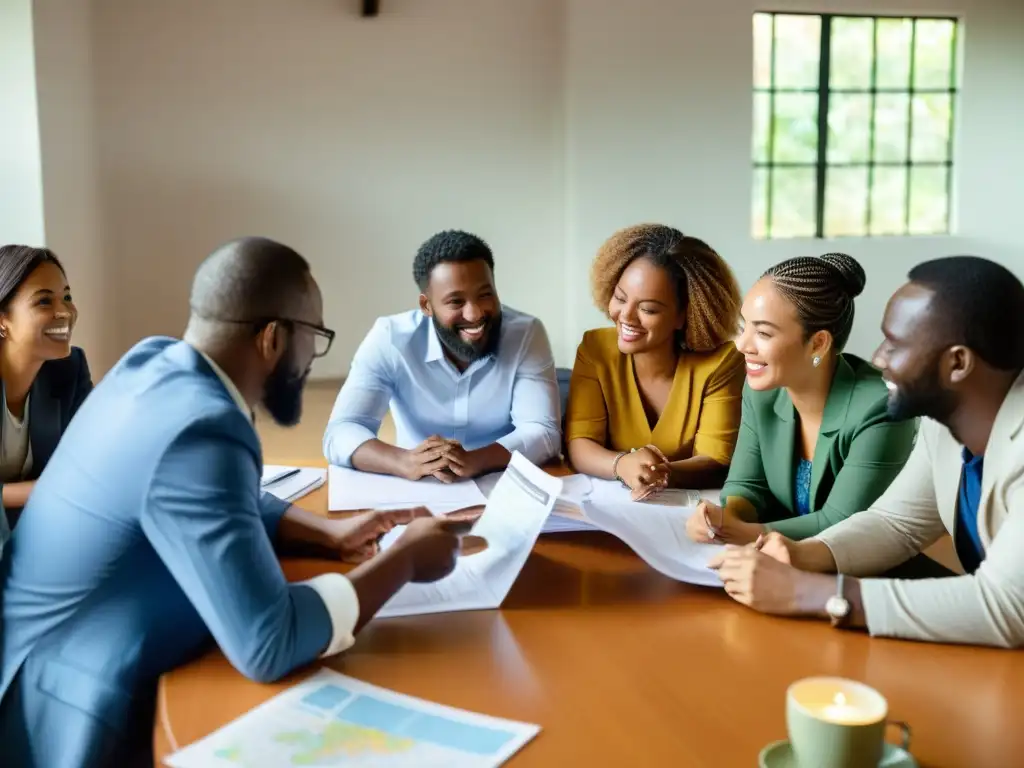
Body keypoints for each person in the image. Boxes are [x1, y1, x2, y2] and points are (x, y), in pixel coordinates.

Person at [0, 237, 482, 768]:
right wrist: (405, 561)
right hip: (69, 710)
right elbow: (269, 645)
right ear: (274, 338)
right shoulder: (205, 427)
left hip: (57, 647)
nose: (312, 359)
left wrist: (322, 531)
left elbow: (200, 491)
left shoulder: (153, 360)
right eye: (314, 338)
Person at [710, 255, 1024, 648]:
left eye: (897, 344)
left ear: (957, 363)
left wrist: (811, 593)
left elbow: (1009, 605)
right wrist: (802, 554)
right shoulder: (942, 419)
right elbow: (896, 522)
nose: (878, 358)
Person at [686, 254, 916, 545]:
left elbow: (841, 523)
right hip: (786, 564)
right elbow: (747, 483)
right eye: (746, 327)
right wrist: (725, 518)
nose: (742, 345)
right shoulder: (763, 392)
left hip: (866, 573)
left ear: (818, 343)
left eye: (763, 332)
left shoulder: (881, 409)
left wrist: (747, 533)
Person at [323, 230, 561, 481]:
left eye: (485, 294)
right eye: (456, 302)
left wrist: (475, 460)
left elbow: (542, 430)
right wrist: (403, 461)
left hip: (501, 477)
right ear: (427, 305)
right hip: (417, 485)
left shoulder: (526, 333)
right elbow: (341, 431)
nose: (475, 314)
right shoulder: (390, 338)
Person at [565, 224, 745, 498]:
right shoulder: (595, 349)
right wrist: (621, 465)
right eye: (620, 298)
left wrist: (655, 474)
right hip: (611, 507)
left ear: (684, 314)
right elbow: (580, 444)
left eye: (647, 309)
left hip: (689, 512)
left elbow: (716, 461)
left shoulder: (721, 363)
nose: (626, 316)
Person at [0, 245, 92, 555]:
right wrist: (40, 491)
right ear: (3, 320)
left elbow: (90, 463)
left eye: (66, 297)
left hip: (40, 531)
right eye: (44, 300)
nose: (65, 311)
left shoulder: (70, 369)